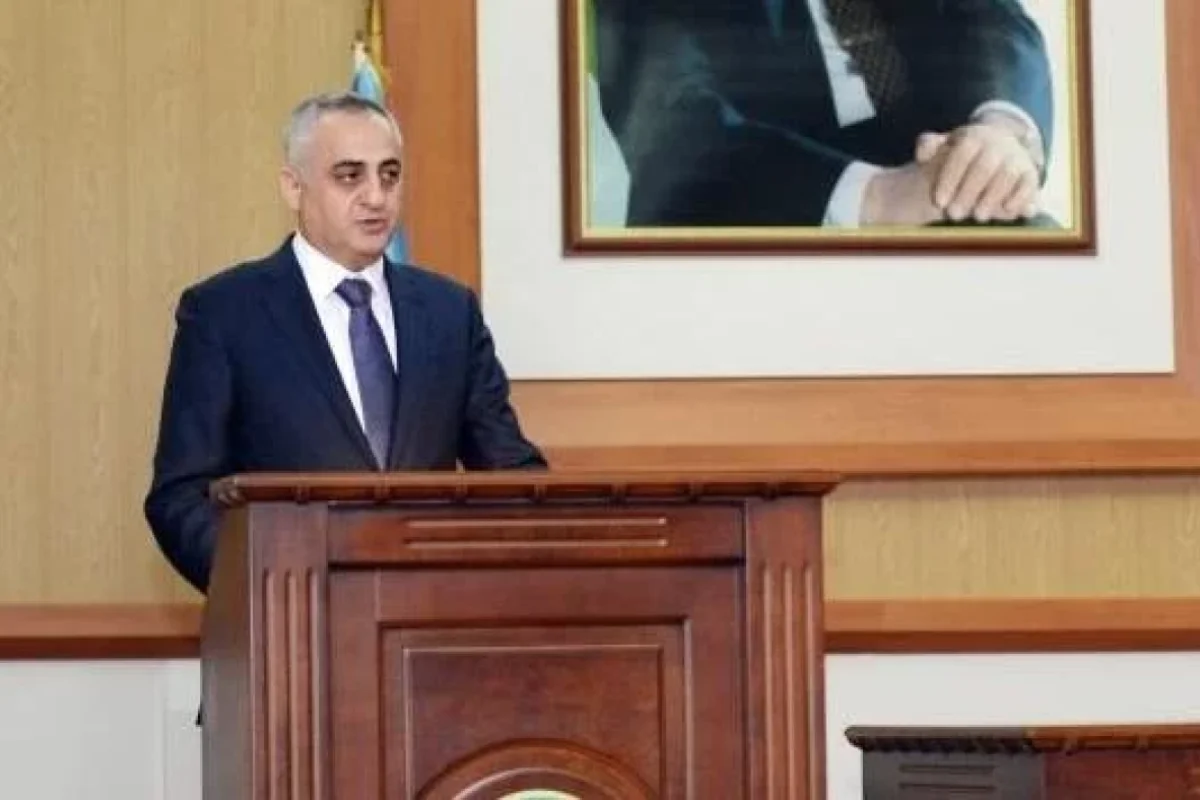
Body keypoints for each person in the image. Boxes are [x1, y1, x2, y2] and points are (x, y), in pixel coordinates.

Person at [144, 91, 546, 593]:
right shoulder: (225, 313)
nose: (376, 197)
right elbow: (181, 496)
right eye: (350, 176)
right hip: (289, 620)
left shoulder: (449, 312)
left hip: (428, 616)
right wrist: (267, 587)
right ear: (294, 187)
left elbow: (510, 474)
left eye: (390, 175)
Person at [591, 0, 1055, 228]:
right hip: (764, 218)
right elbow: (669, 121)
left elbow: (992, 19)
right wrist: (876, 198)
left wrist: (1000, 132)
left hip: (948, 184)